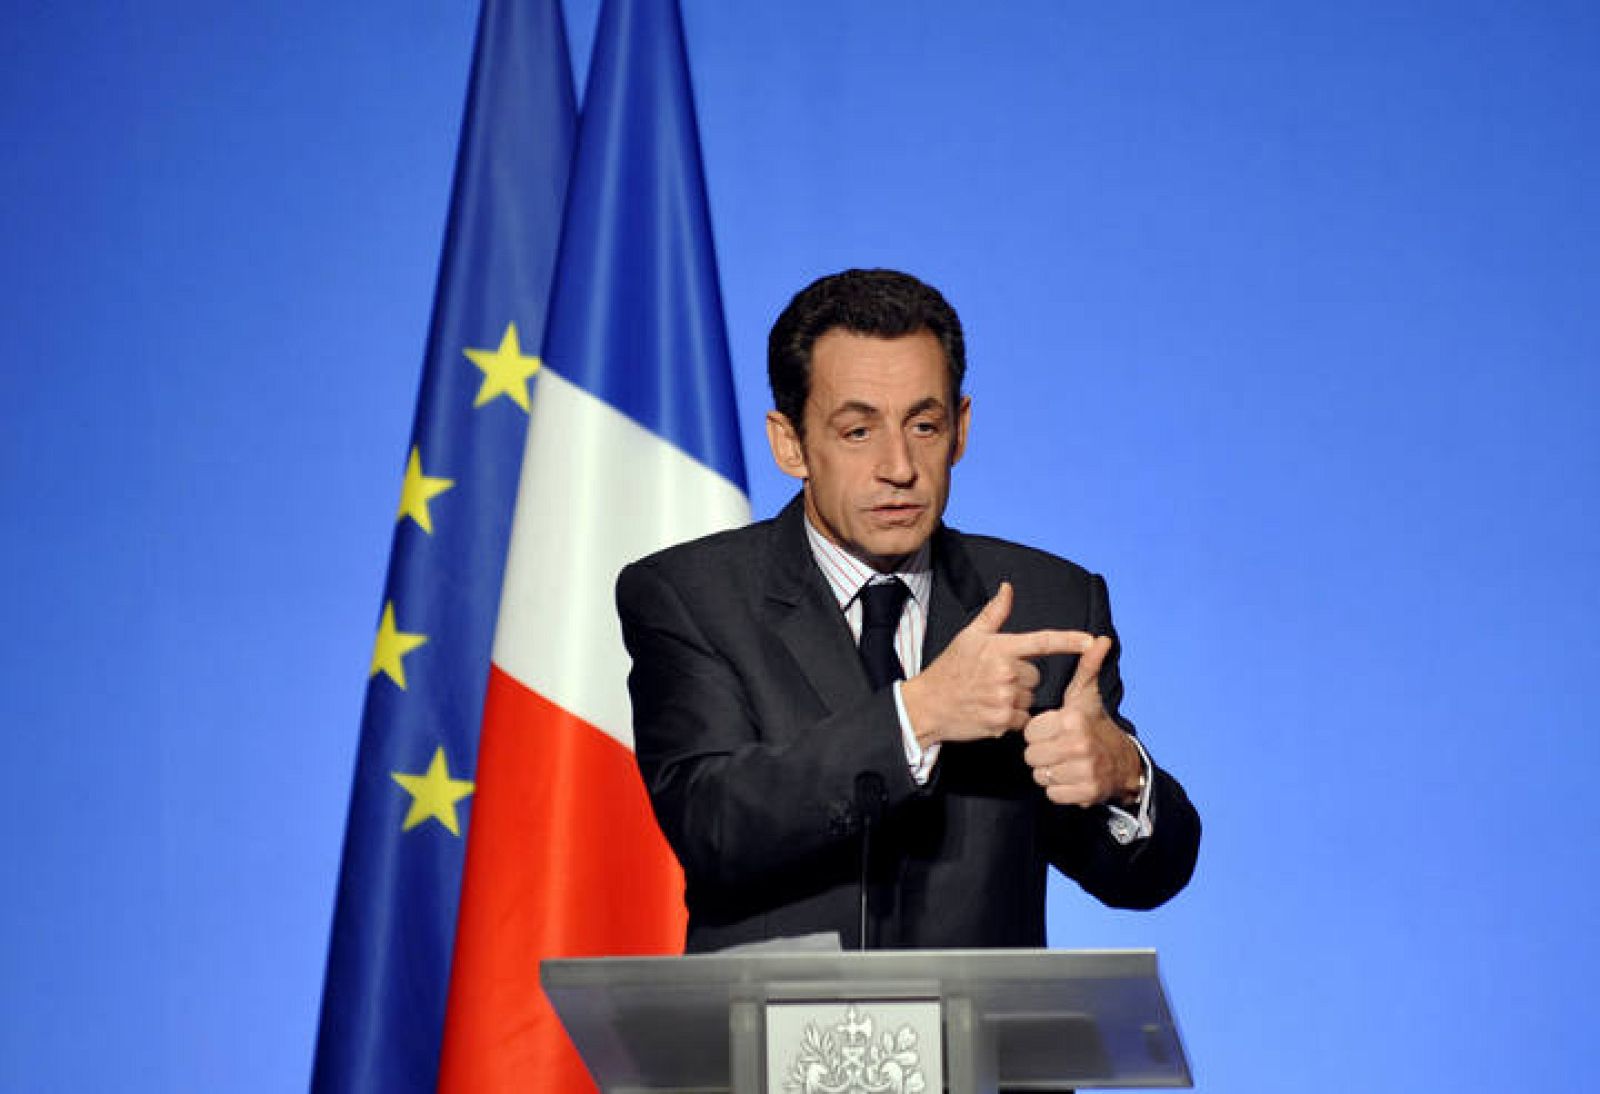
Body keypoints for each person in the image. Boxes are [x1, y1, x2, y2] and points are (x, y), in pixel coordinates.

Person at [616, 269, 1200, 953]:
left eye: (924, 425)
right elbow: (713, 823)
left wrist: (1122, 777)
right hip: (769, 1051)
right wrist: (918, 714)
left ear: (960, 430)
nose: (899, 465)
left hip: (978, 1053)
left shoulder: (1049, 600)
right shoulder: (693, 595)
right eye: (858, 431)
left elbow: (1142, 878)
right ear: (790, 444)